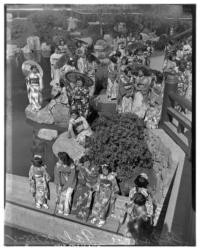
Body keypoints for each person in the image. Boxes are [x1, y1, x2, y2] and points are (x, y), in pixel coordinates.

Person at [71, 156, 99, 221]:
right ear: (83, 163)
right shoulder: (82, 169)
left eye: (88, 162)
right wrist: (88, 184)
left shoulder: (94, 168)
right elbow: (81, 179)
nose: (88, 164)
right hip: (82, 187)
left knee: (87, 202)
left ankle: (84, 216)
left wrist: (95, 185)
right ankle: (78, 214)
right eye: (86, 162)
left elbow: (97, 176)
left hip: (90, 188)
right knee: (80, 200)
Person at [54, 152, 77, 216]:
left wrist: (64, 187)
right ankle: (60, 209)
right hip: (62, 182)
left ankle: (66, 211)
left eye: (60, 159)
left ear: (63, 160)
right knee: (61, 196)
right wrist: (59, 184)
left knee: (67, 197)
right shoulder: (58, 164)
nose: (58, 160)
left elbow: (72, 178)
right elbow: (57, 175)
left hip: (71, 183)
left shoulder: (72, 165)